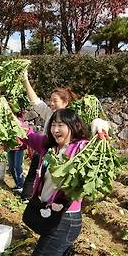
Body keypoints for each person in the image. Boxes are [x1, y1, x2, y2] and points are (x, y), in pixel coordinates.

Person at [16, 108, 108, 256]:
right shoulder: (49, 147)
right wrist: (11, 115)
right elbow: (28, 135)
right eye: (53, 125)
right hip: (53, 216)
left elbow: (99, 144)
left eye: (61, 125)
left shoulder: (80, 149)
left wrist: (100, 128)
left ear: (73, 127)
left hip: (66, 220)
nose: (56, 129)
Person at [21, 67, 77, 200]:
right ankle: (28, 197)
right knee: (34, 174)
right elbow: (35, 102)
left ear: (65, 102)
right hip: (43, 149)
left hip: (57, 155)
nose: (51, 103)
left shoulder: (71, 120)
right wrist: (25, 80)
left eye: (55, 101)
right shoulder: (49, 113)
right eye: (50, 100)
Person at [7, 110, 29, 193]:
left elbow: (25, 136)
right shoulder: (9, 124)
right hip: (11, 148)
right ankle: (18, 184)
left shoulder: (23, 124)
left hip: (19, 148)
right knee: (11, 167)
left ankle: (21, 185)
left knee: (17, 166)